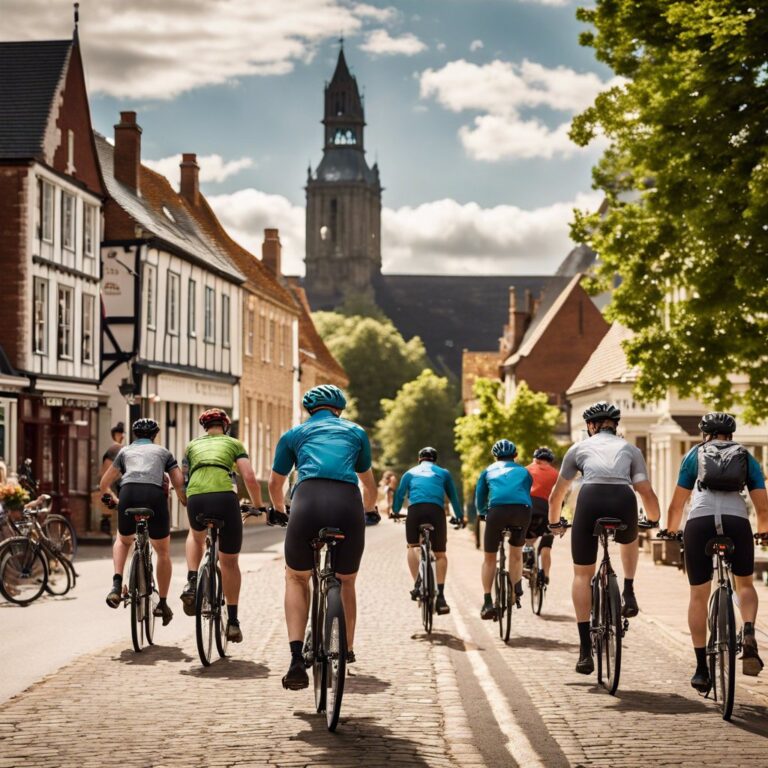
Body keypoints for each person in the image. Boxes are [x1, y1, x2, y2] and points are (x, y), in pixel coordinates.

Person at [269, 384, 378, 691]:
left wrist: (279, 511)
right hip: (346, 503)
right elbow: (369, 485)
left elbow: (275, 484)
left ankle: (294, 660)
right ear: (339, 410)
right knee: (346, 581)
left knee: (296, 579)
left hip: (307, 501)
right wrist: (368, 511)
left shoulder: (294, 434)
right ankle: (346, 649)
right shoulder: (356, 432)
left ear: (309, 410)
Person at [548, 401, 660, 675]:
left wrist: (554, 523)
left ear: (590, 426)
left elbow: (557, 494)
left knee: (582, 575)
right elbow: (644, 489)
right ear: (615, 426)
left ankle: (585, 650)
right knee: (629, 536)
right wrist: (655, 520)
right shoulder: (631, 449)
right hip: (623, 499)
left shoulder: (578, 449)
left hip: (590, 499)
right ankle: (629, 590)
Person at [665, 412, 768, 690]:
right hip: (736, 522)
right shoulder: (745, 457)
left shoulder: (694, 456)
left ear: (704, 434)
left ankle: (700, 669)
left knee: (698, 594)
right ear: (731, 435)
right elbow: (763, 506)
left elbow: (677, 506)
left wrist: (671, 532)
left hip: (700, 522)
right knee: (744, 584)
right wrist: (763, 532)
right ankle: (747, 631)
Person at [180, 408, 265, 643]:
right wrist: (259, 506)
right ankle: (233, 622)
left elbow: (184, 476)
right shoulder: (234, 444)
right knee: (229, 562)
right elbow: (249, 477)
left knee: (195, 535)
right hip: (225, 498)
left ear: (204, 428)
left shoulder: (191, 446)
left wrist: (187, 499)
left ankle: (192, 580)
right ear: (225, 426)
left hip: (197, 497)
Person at [100, 418, 186, 624]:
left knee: (122, 540)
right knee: (163, 551)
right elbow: (179, 483)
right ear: (155, 436)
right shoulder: (164, 453)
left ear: (134, 435)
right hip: (154, 496)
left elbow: (104, 483)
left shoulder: (124, 452)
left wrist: (113, 500)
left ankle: (116, 584)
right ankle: (163, 603)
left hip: (128, 493)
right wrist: (184, 501)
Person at [392, 447, 463, 615]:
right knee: (440, 555)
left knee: (412, 546)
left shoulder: (409, 473)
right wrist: (459, 516)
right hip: (436, 512)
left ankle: (417, 583)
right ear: (435, 460)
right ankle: (441, 597)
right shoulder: (443, 473)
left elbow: (400, 495)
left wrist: (395, 511)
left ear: (419, 459)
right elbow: (453, 497)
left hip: (415, 511)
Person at [476, 439, 532, 619]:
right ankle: (516, 588)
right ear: (515, 456)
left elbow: (480, 497)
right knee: (516, 553)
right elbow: (525, 490)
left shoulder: (487, 471)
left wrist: (482, 513)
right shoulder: (524, 471)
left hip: (497, 512)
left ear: (495, 457)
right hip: (522, 511)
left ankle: (487, 602)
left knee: (489, 559)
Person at [525, 446, 559, 585]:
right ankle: (545, 575)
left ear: (535, 459)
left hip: (528, 508)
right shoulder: (556, 474)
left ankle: (528, 562)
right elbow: (559, 497)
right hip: (548, 511)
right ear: (549, 461)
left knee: (527, 539)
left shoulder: (526, 470)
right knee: (546, 544)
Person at [99, 422, 125, 534]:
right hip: (113, 484)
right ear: (116, 435)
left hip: (110, 484)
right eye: (120, 434)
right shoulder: (116, 448)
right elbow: (108, 470)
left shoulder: (113, 448)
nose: (123, 436)